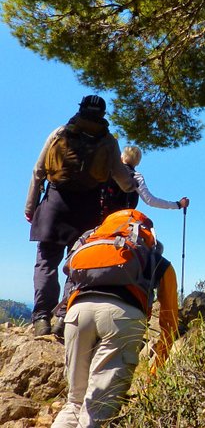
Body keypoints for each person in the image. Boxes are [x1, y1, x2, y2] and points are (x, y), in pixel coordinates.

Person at [51, 211, 179, 427]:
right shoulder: (157, 260)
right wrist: (156, 368)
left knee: (74, 402)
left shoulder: (92, 244)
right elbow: (170, 321)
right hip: (122, 317)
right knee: (98, 411)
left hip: (77, 314)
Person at [25, 95, 137, 337]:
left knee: (46, 263)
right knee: (76, 265)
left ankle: (41, 318)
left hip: (55, 204)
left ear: (80, 109)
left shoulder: (60, 132)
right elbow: (122, 179)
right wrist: (132, 185)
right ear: (103, 115)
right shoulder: (108, 141)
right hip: (87, 210)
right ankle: (63, 319)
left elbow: (38, 171)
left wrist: (30, 207)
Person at [101, 145, 190, 217]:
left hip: (100, 216)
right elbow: (150, 200)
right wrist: (178, 204)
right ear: (138, 162)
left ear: (122, 157)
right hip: (121, 219)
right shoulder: (136, 176)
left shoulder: (108, 171)